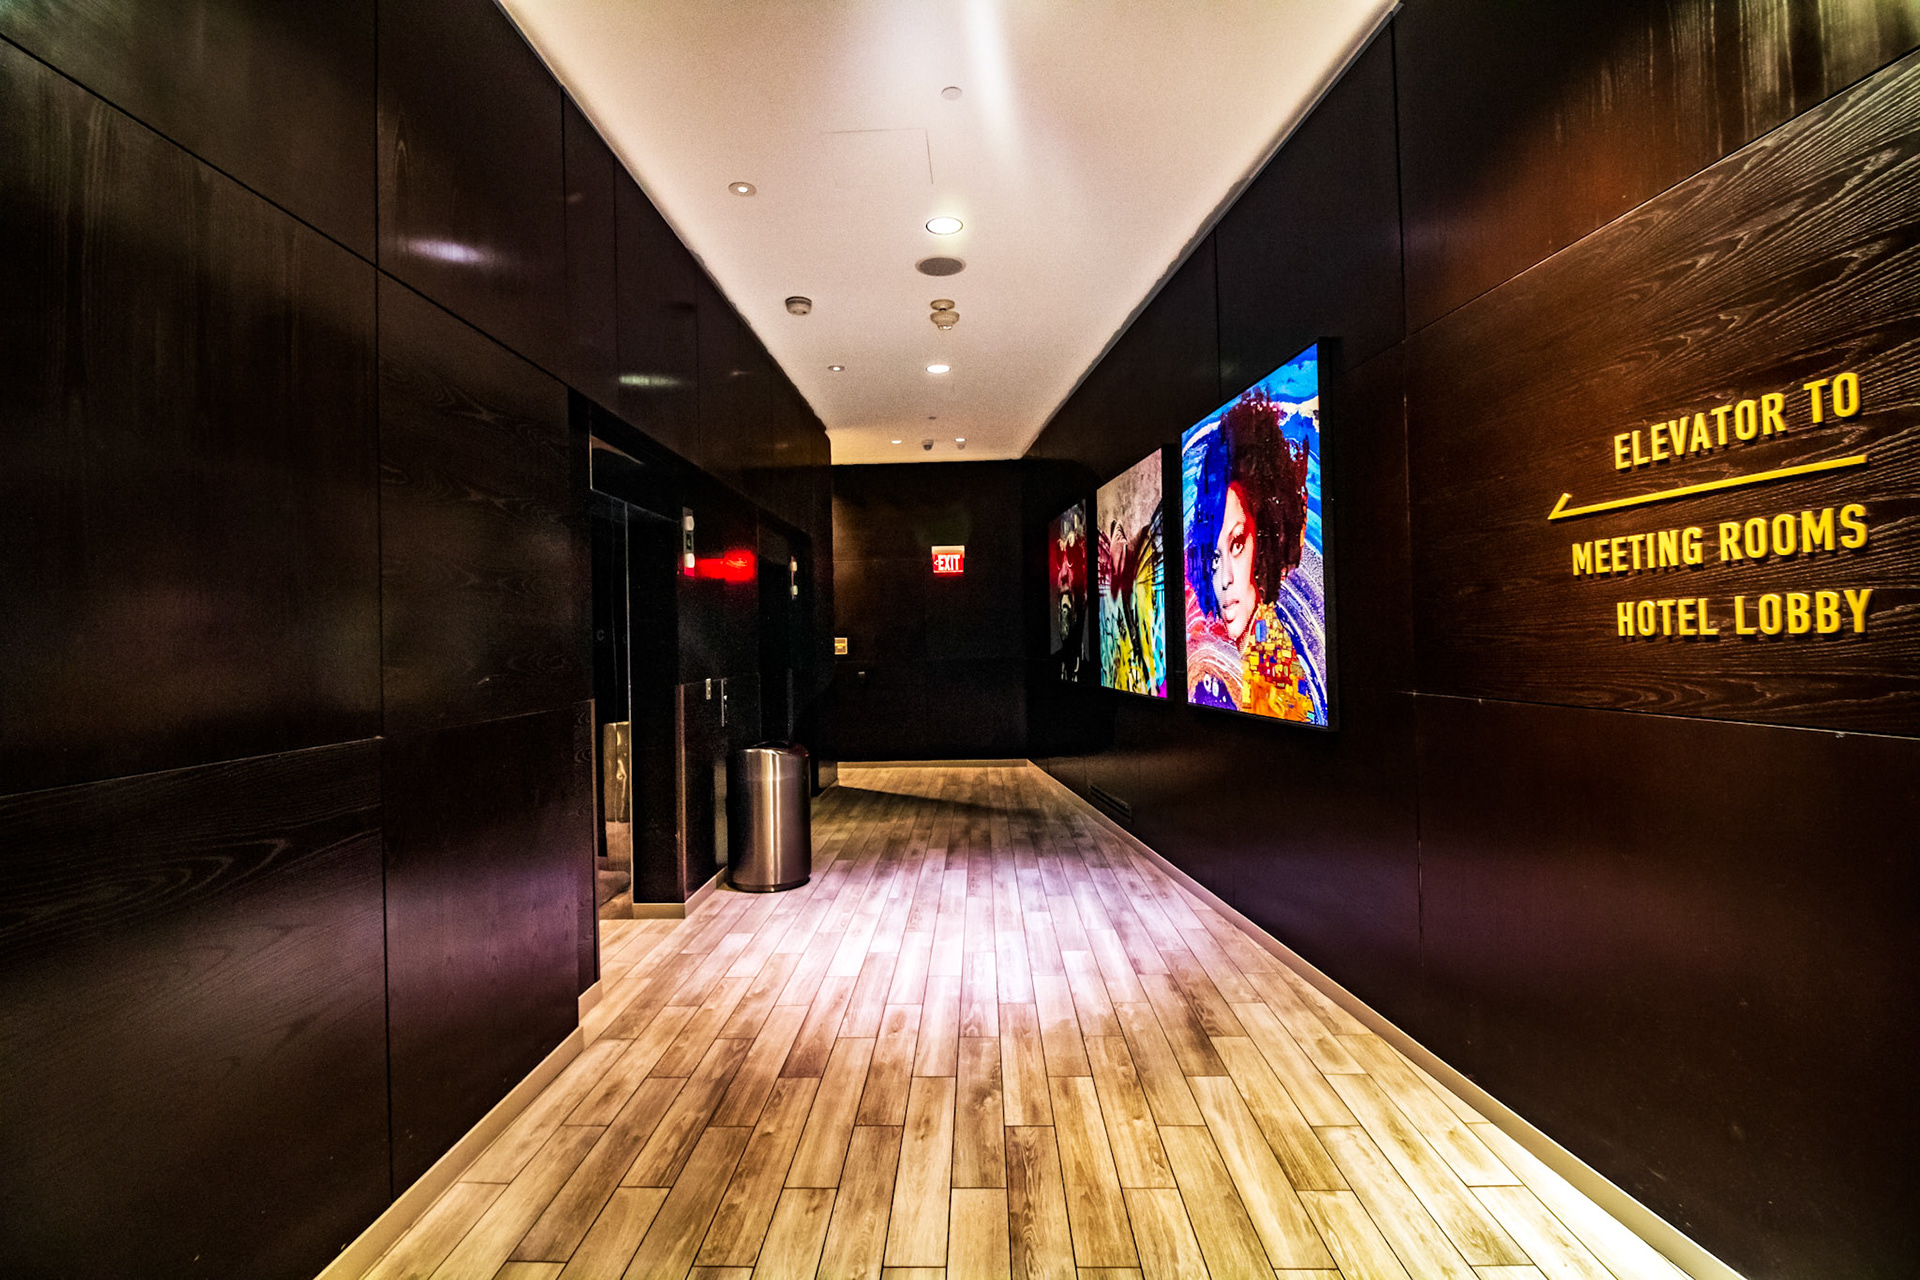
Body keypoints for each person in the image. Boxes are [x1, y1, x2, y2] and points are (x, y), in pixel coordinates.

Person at [1186, 389, 1316, 721]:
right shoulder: (1222, 650)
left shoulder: (1273, 662)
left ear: (1266, 539)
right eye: (1215, 557)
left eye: (1238, 544)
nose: (1224, 580)